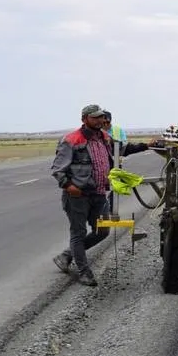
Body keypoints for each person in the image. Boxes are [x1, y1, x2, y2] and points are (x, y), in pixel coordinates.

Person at [50, 104, 158, 285]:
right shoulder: (71, 140)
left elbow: (123, 149)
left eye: (101, 117)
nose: (101, 120)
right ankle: (84, 272)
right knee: (78, 232)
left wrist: (147, 145)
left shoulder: (105, 138)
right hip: (78, 195)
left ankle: (67, 255)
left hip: (99, 194)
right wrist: (69, 186)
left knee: (102, 231)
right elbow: (58, 169)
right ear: (84, 119)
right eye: (96, 117)